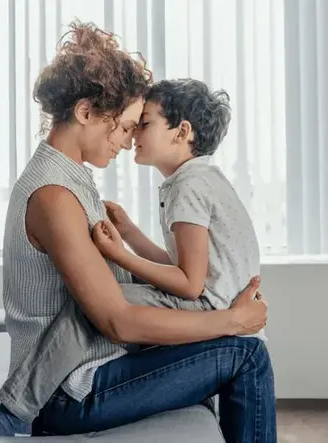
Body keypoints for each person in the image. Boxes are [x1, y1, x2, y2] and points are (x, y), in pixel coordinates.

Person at [0, 22, 276, 442]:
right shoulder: (54, 195)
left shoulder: (73, 181)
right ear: (85, 112)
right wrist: (232, 320)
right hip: (70, 390)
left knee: (226, 350)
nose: (127, 140)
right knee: (247, 355)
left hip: (92, 365)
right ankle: (14, 412)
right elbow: (117, 320)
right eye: (124, 126)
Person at [93, 78, 265, 342]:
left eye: (145, 124)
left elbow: (189, 285)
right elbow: (182, 269)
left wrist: (119, 255)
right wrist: (128, 231)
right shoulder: (201, 178)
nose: (133, 134)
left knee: (105, 297)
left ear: (182, 132)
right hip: (217, 304)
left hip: (213, 310)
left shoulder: (188, 186)